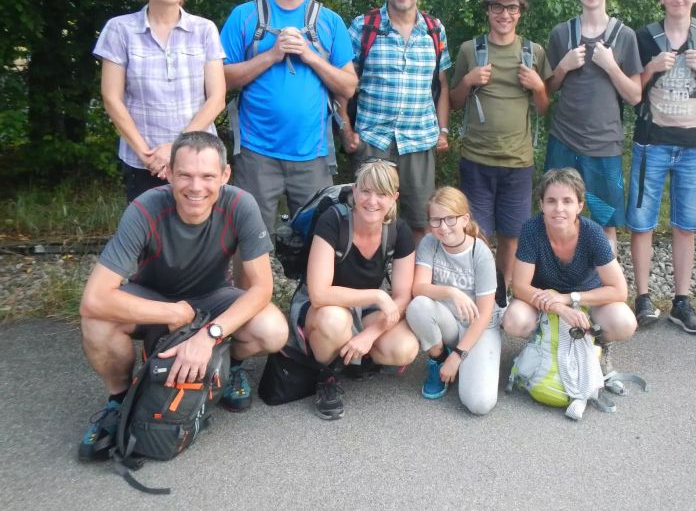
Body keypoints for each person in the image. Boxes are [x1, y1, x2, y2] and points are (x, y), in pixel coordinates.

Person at [78, 132, 289, 461]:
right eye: (186, 175)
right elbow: (94, 299)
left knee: (273, 330)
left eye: (207, 176)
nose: (196, 187)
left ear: (225, 175)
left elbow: (262, 287)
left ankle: (229, 367)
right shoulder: (145, 208)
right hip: (154, 296)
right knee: (97, 323)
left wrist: (210, 335)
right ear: (170, 174)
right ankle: (119, 402)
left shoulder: (240, 204)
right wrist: (174, 313)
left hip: (213, 295)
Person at [220, 0, 357, 236]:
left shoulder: (330, 21)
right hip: (256, 153)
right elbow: (220, 80)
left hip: (313, 154)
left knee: (319, 240)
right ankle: (252, 287)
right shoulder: (244, 16)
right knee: (247, 239)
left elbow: (348, 86)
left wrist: (310, 56)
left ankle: (314, 287)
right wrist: (271, 55)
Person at [627, 0, 696, 334]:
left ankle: (682, 301)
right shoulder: (645, 36)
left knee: (686, 225)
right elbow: (633, 92)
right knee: (642, 223)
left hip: (694, 146)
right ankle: (643, 298)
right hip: (651, 142)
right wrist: (651, 67)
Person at [95, 0, 226, 202]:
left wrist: (176, 149)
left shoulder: (204, 29)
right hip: (143, 160)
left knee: (202, 235)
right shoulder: (120, 29)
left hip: (199, 161)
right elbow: (112, 98)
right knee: (150, 237)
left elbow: (217, 97)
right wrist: (147, 153)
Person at [340, 0, 452, 242]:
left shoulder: (434, 29)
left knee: (420, 222)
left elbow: (441, 84)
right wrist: (346, 129)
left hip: (419, 140)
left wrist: (443, 130)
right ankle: (367, 284)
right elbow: (343, 85)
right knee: (368, 218)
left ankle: (415, 286)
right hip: (372, 140)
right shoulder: (363, 27)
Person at [449, 0, 550, 286]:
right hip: (476, 160)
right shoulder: (470, 50)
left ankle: (503, 293)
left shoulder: (534, 52)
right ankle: (481, 290)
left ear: (520, 10)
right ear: (487, 10)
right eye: (497, 7)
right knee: (476, 234)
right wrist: (468, 81)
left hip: (518, 163)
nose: (504, 14)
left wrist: (539, 86)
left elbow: (545, 109)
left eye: (511, 7)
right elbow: (453, 102)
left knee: (512, 235)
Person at [301, 159, 420, 420]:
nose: (372, 201)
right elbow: (319, 293)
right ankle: (326, 374)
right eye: (365, 191)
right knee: (334, 320)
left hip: (364, 308)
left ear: (394, 198)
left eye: (382, 194)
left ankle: (358, 356)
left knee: (404, 348)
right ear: (354, 191)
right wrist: (377, 295)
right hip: (325, 305)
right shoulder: (334, 221)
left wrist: (372, 334)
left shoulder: (399, 231)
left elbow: (402, 296)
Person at [544, 0, 642, 255]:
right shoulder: (562, 33)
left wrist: (612, 66)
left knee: (605, 222)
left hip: (604, 145)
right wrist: (563, 66)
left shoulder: (624, 36)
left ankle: (603, 287)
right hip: (564, 140)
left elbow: (635, 95)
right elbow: (546, 90)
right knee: (556, 217)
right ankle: (556, 285)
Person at [502, 168, 637, 377]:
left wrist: (569, 299)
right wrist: (560, 307)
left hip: (587, 298)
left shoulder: (592, 233)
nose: (559, 209)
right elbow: (519, 287)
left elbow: (620, 291)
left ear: (580, 206)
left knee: (625, 323)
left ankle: (598, 344)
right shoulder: (531, 229)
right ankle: (544, 342)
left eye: (567, 201)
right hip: (544, 299)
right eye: (551, 201)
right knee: (514, 320)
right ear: (541, 205)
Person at [407, 187, 502, 415]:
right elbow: (418, 287)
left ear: (464, 219)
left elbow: (485, 312)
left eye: (450, 219)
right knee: (418, 306)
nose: (443, 227)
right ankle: (438, 358)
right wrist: (451, 291)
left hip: (479, 325)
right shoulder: (430, 242)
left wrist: (458, 356)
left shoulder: (480, 252)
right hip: (448, 318)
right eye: (436, 220)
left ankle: (456, 357)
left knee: (479, 404)